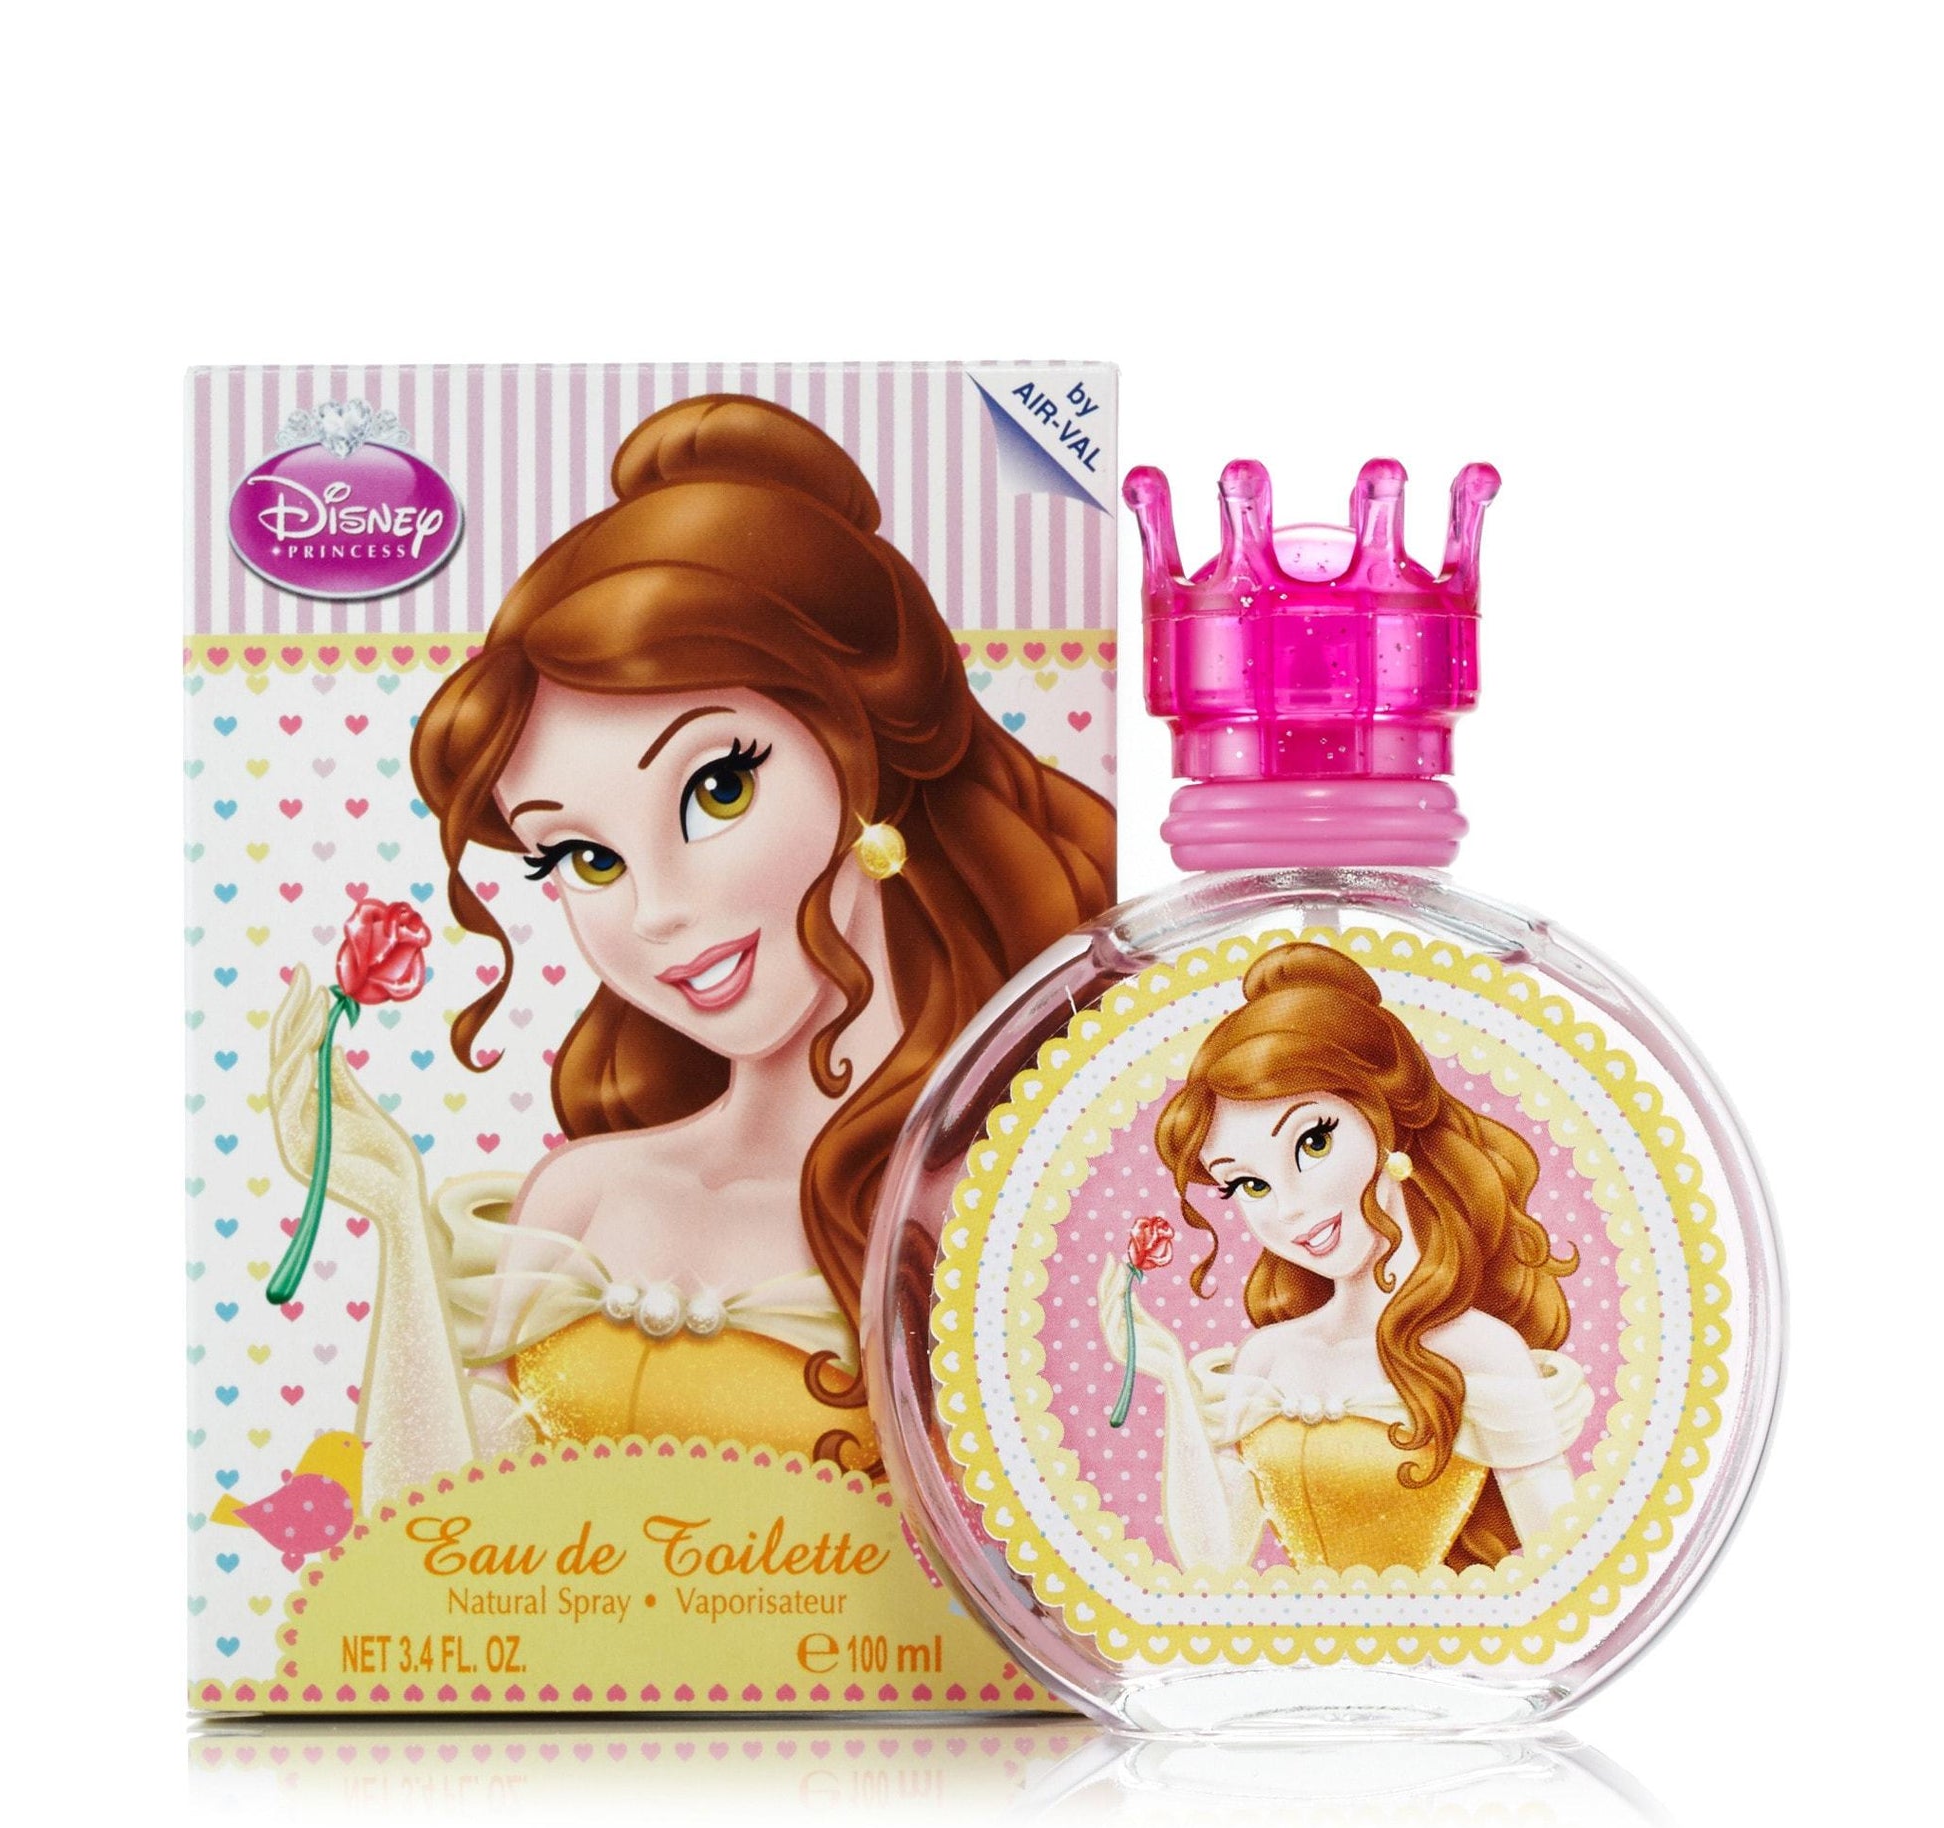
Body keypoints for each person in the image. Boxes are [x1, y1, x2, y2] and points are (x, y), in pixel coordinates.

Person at [269, 394, 1114, 1501]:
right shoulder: (582, 1197)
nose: (657, 910)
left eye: (718, 789)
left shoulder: (1016, 1186)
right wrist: (390, 1209)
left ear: (863, 754)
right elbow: (428, 1535)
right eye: (585, 857)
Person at [1098, 941, 1592, 1574]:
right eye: (1249, 1184)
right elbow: (1212, 1564)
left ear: (1387, 1123)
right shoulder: (1266, 1357)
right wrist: (1170, 1374)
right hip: (1276, 1639)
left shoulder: (1481, 1351)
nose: (1289, 1208)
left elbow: (1565, 1568)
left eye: (1313, 1142)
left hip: (1431, 1634)